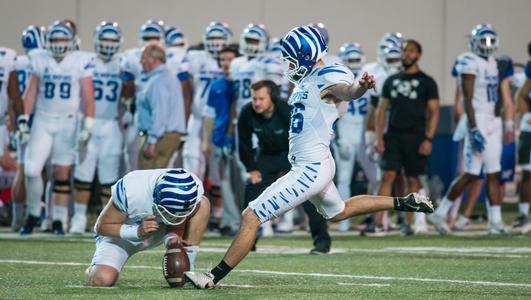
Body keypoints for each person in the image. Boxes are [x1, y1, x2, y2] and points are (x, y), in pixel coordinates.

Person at [184, 25, 434, 289]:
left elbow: (346, 91)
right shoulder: (307, 78)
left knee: (251, 215)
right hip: (313, 163)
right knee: (338, 212)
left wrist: (359, 87)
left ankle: (212, 276)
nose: (288, 64)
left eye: (291, 59)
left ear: (305, 55)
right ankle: (404, 202)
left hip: (310, 168)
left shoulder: (329, 75)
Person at [428, 24, 508, 234]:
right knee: (471, 174)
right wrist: (473, 127)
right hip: (477, 119)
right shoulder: (469, 60)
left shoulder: (492, 62)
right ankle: (440, 213)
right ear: (473, 42)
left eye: (491, 41)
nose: (488, 46)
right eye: (484, 41)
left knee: (494, 172)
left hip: (491, 119)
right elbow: (468, 98)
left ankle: (495, 221)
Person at [239, 80, 333, 253]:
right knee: (252, 189)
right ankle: (247, 243)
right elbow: (243, 144)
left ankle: (322, 242)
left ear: (273, 98)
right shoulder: (247, 113)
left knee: (310, 193)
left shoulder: (288, 112)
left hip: (295, 155)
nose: (256, 103)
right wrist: (251, 169)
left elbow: (306, 138)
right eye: (254, 99)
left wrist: (297, 168)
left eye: (261, 99)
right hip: (267, 155)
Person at [20, 20, 95, 235]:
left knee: (62, 171)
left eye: (62, 39)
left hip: (68, 120)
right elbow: (31, 91)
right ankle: (34, 212)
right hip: (43, 119)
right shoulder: (39, 59)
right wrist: (24, 119)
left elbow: (88, 95)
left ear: (71, 41)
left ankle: (59, 220)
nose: (58, 43)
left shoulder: (80, 60)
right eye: (54, 39)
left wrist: (88, 123)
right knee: (32, 169)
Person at [85, 168, 210, 287]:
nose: (177, 218)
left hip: (158, 228)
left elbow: (178, 217)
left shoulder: (191, 187)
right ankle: (93, 269)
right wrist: (137, 231)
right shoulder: (132, 190)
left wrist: (172, 237)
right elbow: (102, 227)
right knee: (102, 279)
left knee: (202, 204)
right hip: (123, 233)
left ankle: (188, 267)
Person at [375, 39, 440, 235]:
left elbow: (434, 111)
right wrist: (379, 137)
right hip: (393, 135)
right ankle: (379, 222)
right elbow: (381, 110)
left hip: (416, 136)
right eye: (404, 51)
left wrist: (428, 138)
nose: (406, 54)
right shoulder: (391, 80)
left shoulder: (427, 82)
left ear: (419, 55)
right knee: (388, 176)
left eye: (411, 51)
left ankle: (407, 221)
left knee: (413, 179)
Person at [70, 22, 124, 234]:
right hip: (89, 121)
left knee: (109, 178)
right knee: (83, 173)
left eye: (112, 40)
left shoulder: (123, 63)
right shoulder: (85, 61)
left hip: (112, 124)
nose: (108, 45)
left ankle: (105, 219)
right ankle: (78, 217)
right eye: (105, 40)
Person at [182, 21, 230, 181]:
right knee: (192, 164)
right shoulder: (195, 57)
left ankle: (217, 207)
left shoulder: (233, 61)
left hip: (220, 121)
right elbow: (185, 88)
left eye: (219, 38)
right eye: (212, 37)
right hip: (197, 119)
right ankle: (192, 203)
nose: (215, 42)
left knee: (218, 172)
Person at [10, 25, 45, 231]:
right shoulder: (43, 60)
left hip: (22, 117)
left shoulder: (18, 61)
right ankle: (47, 216)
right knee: (46, 172)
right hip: (38, 116)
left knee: (24, 170)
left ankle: (18, 218)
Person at [202, 46, 240, 232]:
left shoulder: (241, 83)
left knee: (241, 180)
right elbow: (209, 115)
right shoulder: (216, 84)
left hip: (241, 138)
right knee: (223, 181)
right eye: (223, 59)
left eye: (230, 59)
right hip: (220, 138)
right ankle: (230, 220)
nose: (226, 63)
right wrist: (205, 140)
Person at [121, 20, 165, 172]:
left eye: (155, 38)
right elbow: (127, 89)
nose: (151, 42)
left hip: (161, 118)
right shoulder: (132, 57)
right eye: (147, 38)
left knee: (159, 166)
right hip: (138, 114)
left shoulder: (170, 60)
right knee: (132, 158)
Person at [137, 44, 186, 169]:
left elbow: (160, 113)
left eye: (144, 58)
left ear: (153, 60)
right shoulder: (166, 77)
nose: (141, 62)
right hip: (166, 135)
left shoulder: (159, 80)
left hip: (162, 137)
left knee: (148, 179)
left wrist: (152, 141)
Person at [513, 42, 531, 233]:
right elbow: (520, 96)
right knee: (528, 172)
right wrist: (527, 116)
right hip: (529, 130)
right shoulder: (529, 70)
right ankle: (524, 215)